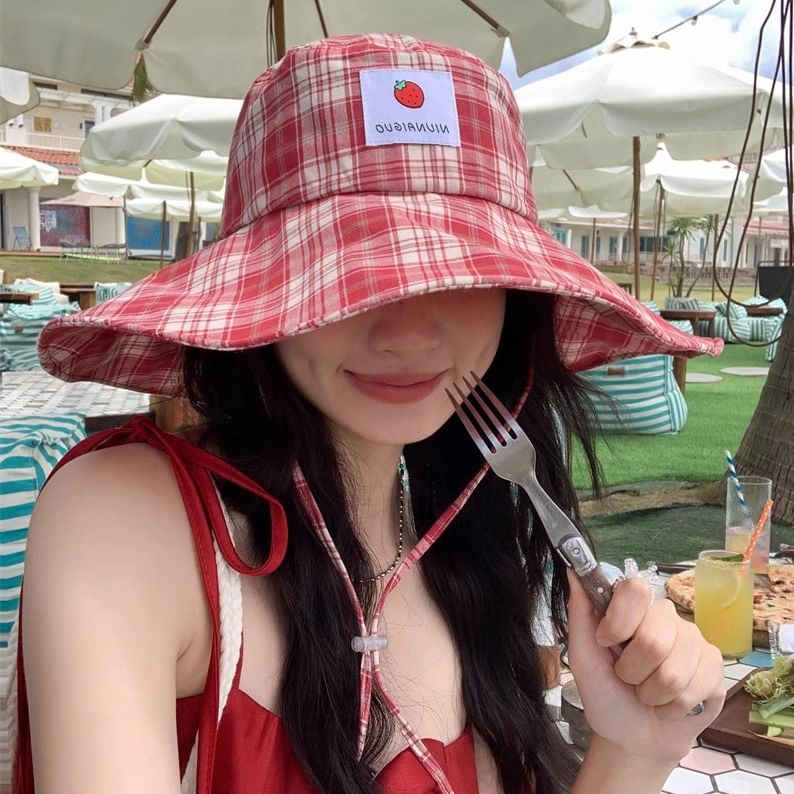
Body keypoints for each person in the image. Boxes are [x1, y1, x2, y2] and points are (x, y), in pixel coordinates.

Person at [14, 34, 726, 794]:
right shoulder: (127, 522)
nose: (408, 334)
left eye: (460, 271)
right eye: (345, 272)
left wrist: (633, 751)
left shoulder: (466, 552)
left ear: (515, 298)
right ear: (262, 287)